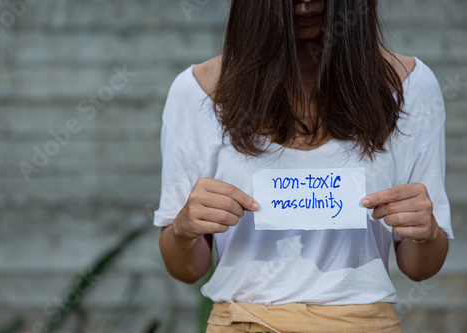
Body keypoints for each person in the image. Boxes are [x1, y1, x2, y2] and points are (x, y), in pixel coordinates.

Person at [154, 0, 454, 332]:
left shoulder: (412, 88)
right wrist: (183, 229)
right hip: (242, 322)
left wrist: (426, 234)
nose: (306, 2)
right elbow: (186, 268)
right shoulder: (195, 93)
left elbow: (420, 268)